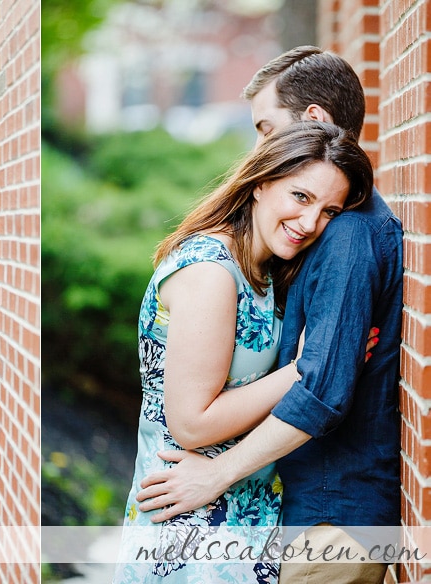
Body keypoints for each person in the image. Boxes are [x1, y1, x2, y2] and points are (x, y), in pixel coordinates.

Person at [135, 46, 403, 584]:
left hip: (328, 518)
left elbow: (323, 387)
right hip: (221, 512)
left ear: (314, 124)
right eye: (299, 196)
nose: (258, 147)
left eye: (265, 128)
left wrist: (218, 474)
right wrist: (297, 367)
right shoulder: (236, 266)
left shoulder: (346, 235)